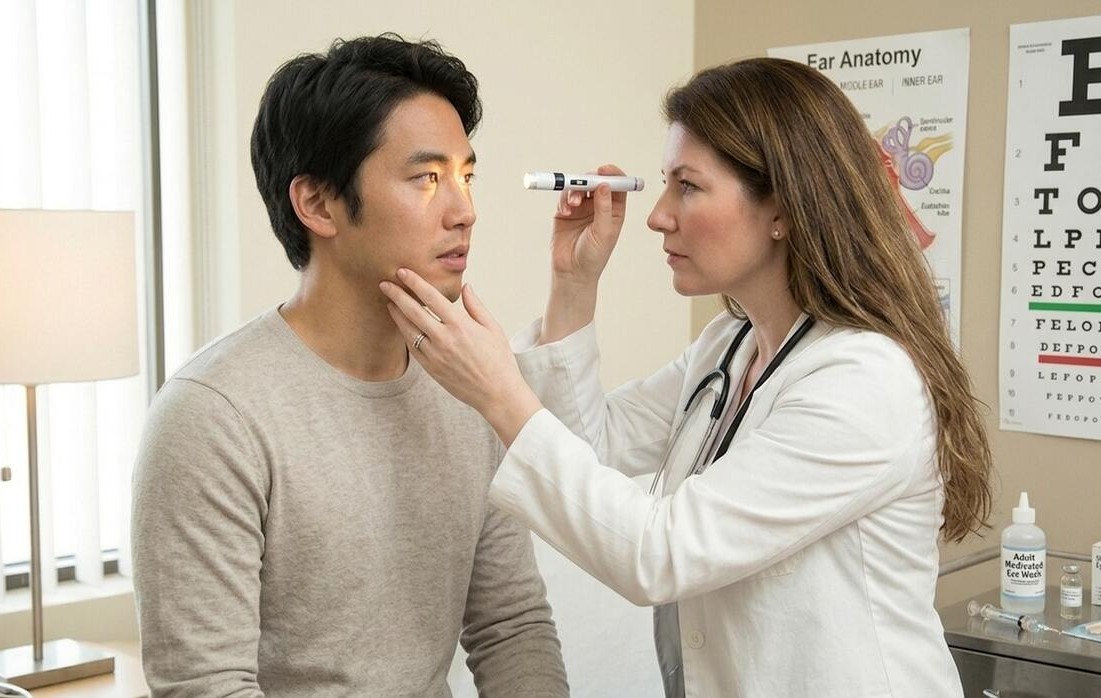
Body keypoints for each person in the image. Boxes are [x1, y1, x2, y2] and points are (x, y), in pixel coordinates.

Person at [380, 56, 993, 697]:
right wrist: (574, 280)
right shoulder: (729, 346)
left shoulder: (863, 381)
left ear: (781, 207)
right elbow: (596, 450)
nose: (657, 215)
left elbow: (659, 552)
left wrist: (495, 390)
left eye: (687, 187)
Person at [131, 34, 568, 697]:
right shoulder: (212, 415)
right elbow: (205, 685)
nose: (464, 210)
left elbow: (511, 627)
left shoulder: (470, 384)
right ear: (316, 204)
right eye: (427, 178)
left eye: (465, 175)